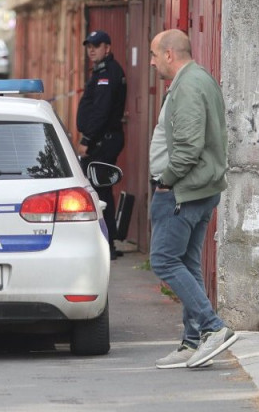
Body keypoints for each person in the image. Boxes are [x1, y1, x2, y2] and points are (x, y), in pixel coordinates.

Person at [147, 29, 235, 369]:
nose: (152, 62)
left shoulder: (187, 86)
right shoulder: (200, 79)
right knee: (188, 262)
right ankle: (191, 342)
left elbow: (186, 149)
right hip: (201, 189)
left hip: (183, 191)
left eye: (154, 55)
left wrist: (166, 182)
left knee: (164, 260)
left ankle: (213, 328)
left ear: (170, 54)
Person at [76, 30, 127, 259]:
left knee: (100, 191)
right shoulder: (100, 72)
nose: (92, 50)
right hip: (101, 140)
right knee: (100, 189)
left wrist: (87, 140)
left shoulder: (108, 73)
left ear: (107, 47)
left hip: (102, 141)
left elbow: (101, 111)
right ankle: (107, 241)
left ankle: (108, 243)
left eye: (96, 46)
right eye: (89, 46)